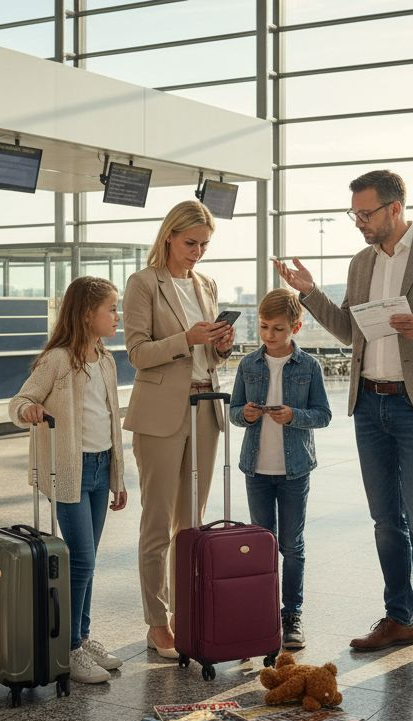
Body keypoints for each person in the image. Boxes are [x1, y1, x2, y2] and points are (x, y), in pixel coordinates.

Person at [275, 169, 413, 677]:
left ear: (395, 209)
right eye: (355, 214)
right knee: (385, 522)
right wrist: (309, 294)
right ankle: (399, 618)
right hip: (369, 404)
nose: (359, 222)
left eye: (365, 213)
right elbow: (352, 331)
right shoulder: (361, 262)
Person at [123, 200, 235, 659]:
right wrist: (185, 340)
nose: (198, 252)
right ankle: (157, 621)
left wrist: (222, 346)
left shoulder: (206, 284)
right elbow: (136, 353)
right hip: (160, 413)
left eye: (205, 245)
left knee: (191, 521)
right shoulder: (143, 284)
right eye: (191, 243)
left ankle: (186, 611)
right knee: (157, 520)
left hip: (204, 407)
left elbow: (208, 355)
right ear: (169, 236)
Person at [9, 276, 129, 684]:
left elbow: (111, 421)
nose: (118, 315)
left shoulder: (106, 359)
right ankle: (70, 647)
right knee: (83, 558)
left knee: (88, 559)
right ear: (86, 314)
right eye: (112, 308)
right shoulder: (58, 361)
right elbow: (22, 399)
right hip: (69, 471)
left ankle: (83, 634)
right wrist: (27, 411)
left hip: (98, 468)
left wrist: (118, 478)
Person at [228, 288, 332, 651]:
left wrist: (294, 416)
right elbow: (234, 410)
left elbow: (323, 415)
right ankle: (262, 611)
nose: (269, 335)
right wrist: (246, 414)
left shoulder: (309, 366)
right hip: (256, 469)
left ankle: (292, 614)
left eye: (277, 329)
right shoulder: (248, 364)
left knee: (292, 544)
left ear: (296, 327)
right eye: (263, 327)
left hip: (295, 470)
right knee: (261, 543)